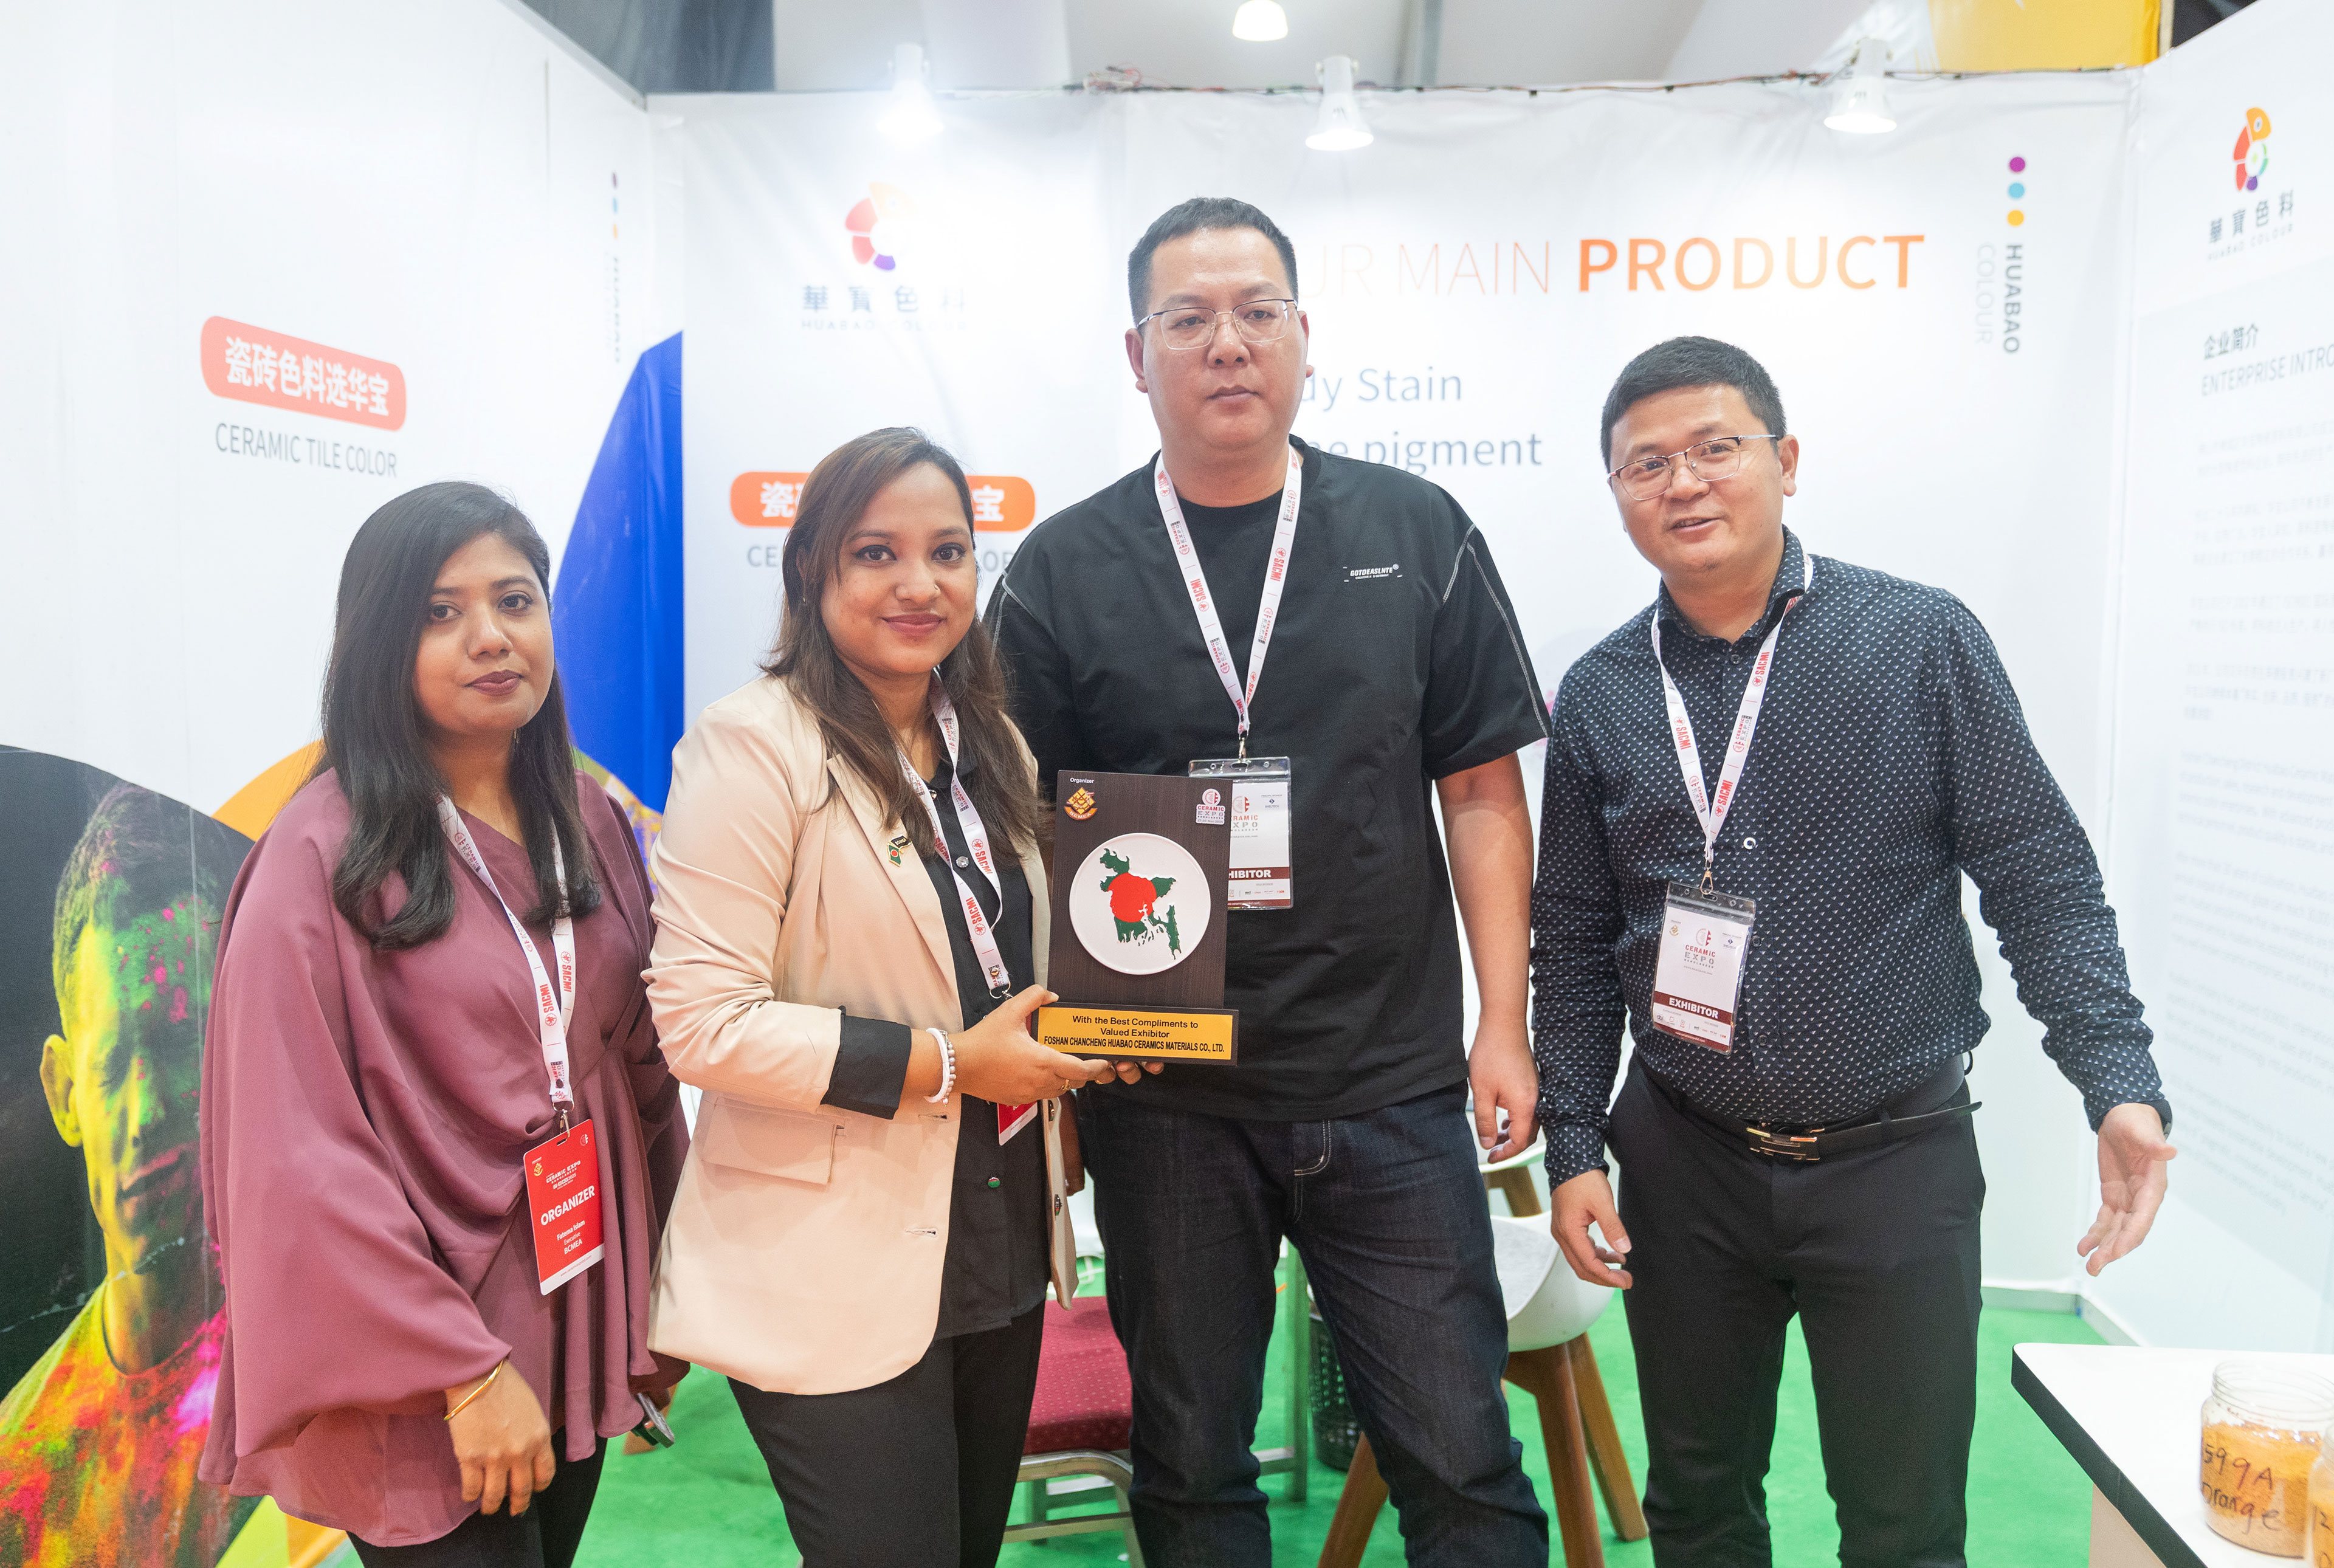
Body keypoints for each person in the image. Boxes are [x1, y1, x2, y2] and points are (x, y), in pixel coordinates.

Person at [1533, 335, 2178, 1566]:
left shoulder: (1920, 642)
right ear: (1615, 493)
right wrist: (1574, 1145)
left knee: (1903, 1526)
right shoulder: (1605, 691)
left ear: (1785, 460)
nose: (1684, 483)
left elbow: (2038, 876)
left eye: (1715, 448)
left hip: (1895, 1168)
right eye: (1646, 464)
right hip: (1685, 1160)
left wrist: (2117, 1079)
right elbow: (1569, 940)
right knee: (1698, 1509)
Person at [985, 197, 1552, 1566]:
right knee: (1190, 1468)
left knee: (1461, 1459)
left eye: (1256, 312)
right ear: (1139, 358)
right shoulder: (1063, 567)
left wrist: (1504, 1021)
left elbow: (1480, 793)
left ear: (1305, 335)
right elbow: (1013, 829)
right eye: (1188, 319)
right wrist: (1064, 1042)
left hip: (1390, 1081)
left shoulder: (1417, 528)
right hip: (1167, 1096)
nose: (1227, 343)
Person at [196, 482, 689, 1566]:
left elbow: (636, 1067)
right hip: (419, 1363)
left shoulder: (589, 817)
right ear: (379, 642)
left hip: (570, 1298)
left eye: (515, 601)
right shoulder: (318, 858)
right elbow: (295, 1157)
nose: (490, 638)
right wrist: (459, 1375)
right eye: (440, 612)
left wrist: (660, 1287)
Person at [644, 427, 1111, 1567]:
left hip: (997, 1236)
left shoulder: (990, 743)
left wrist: (1094, 1035)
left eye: (948, 552)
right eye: (876, 553)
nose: (919, 584)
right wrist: (951, 1064)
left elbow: (1002, 968)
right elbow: (703, 1024)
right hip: (827, 1262)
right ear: (813, 569)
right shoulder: (750, 748)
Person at [0, 785, 258, 1567]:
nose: (145, 1110)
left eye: (178, 1041)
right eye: (113, 1064)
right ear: (63, 1093)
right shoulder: (18, 1474)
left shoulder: (331, 1354)